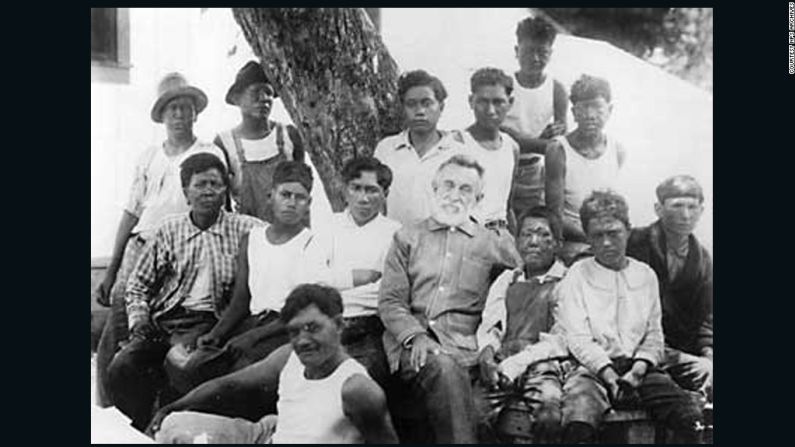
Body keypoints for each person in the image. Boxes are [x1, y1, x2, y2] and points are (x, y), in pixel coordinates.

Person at [94, 73, 227, 407]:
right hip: (142, 247)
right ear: (162, 116)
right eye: (172, 109)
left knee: (163, 324)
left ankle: (153, 406)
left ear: (196, 112)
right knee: (120, 321)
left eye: (185, 108)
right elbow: (132, 211)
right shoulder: (149, 157)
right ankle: (108, 408)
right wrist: (112, 270)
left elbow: (222, 204)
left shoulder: (209, 152)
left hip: (185, 246)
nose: (179, 116)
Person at [106, 153, 262, 431]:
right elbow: (138, 284)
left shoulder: (247, 228)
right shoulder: (169, 230)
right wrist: (140, 321)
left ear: (225, 188)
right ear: (186, 191)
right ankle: (142, 427)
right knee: (122, 367)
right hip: (163, 321)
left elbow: (282, 239)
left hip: (212, 323)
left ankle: (170, 424)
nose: (208, 191)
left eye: (215, 183)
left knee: (179, 364)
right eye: (200, 184)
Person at [378, 154, 518, 443]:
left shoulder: (492, 243)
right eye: (448, 185)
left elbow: (521, 282)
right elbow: (391, 301)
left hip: (467, 346)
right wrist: (415, 336)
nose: (454, 195)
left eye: (465, 189)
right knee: (443, 368)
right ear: (434, 188)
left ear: (478, 198)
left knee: (477, 405)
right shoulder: (407, 237)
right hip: (414, 347)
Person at [149, 284, 399, 444]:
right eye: (294, 331)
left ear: (338, 326)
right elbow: (231, 384)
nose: (303, 341)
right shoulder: (288, 358)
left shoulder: (356, 388)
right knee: (174, 426)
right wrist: (172, 407)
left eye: (313, 329)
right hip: (268, 436)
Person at [556, 190, 704, 443]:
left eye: (613, 233)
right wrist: (609, 375)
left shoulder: (644, 275)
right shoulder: (578, 275)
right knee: (578, 423)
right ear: (587, 236)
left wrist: (637, 370)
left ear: (628, 230)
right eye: (597, 235)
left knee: (688, 416)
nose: (605, 243)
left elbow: (654, 334)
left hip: (640, 368)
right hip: (592, 370)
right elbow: (578, 338)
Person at [183, 161, 323, 397]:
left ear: (308, 204)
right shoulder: (253, 239)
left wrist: (252, 337)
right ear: (271, 196)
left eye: (300, 197)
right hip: (252, 321)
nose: (291, 202)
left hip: (284, 328)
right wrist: (216, 334)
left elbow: (301, 311)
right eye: (285, 194)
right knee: (195, 365)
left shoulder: (313, 243)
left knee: (241, 370)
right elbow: (241, 300)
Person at [474, 206, 569, 443]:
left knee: (549, 414)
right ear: (516, 242)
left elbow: (561, 339)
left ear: (558, 243)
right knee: (473, 413)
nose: (533, 242)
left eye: (543, 235)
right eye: (526, 235)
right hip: (503, 361)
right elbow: (491, 325)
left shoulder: (566, 282)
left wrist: (518, 363)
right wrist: (486, 355)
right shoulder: (508, 280)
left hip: (543, 365)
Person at [310, 157, 402, 387]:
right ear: (345, 190)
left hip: (369, 324)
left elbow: (384, 291)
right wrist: (355, 277)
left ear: (385, 193)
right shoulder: (328, 225)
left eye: (372, 190)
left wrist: (331, 289)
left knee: (364, 377)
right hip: (326, 321)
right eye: (356, 188)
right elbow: (311, 276)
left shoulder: (395, 233)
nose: (363, 198)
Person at [216, 60, 332, 225]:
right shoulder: (224, 143)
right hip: (248, 233)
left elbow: (302, 188)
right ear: (237, 99)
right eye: (255, 92)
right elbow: (224, 202)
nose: (264, 98)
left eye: (268, 92)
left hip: (290, 231)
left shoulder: (289, 135)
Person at [627, 175, 712, 399]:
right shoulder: (634, 242)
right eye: (677, 206)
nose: (685, 215)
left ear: (701, 210)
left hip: (678, 349)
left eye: (692, 207)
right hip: (633, 344)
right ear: (659, 209)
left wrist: (708, 351)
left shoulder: (702, 259)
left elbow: (706, 316)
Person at [545, 74, 627, 264]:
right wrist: (593, 236)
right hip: (572, 239)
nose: (590, 115)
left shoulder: (617, 150)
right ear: (573, 113)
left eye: (597, 107)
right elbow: (554, 214)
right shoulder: (558, 150)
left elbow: (614, 207)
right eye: (583, 108)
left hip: (605, 235)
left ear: (609, 110)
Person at [374, 69, 469, 227]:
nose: (419, 111)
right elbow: (377, 200)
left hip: (441, 244)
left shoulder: (458, 152)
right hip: (395, 244)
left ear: (441, 107)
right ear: (403, 108)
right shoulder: (386, 149)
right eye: (411, 104)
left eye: (427, 103)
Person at [500, 16, 568, 218]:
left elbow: (562, 142)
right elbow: (502, 136)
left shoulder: (557, 89)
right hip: (500, 167)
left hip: (533, 174)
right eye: (529, 51)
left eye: (542, 52)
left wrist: (556, 135)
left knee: (531, 224)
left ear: (551, 54)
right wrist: (543, 142)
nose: (536, 58)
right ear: (516, 51)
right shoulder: (503, 85)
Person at [461, 67, 520, 233]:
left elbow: (507, 207)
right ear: (471, 101)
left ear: (510, 102)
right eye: (483, 101)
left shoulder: (511, 147)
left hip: (499, 236)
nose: (490, 110)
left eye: (498, 102)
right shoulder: (457, 144)